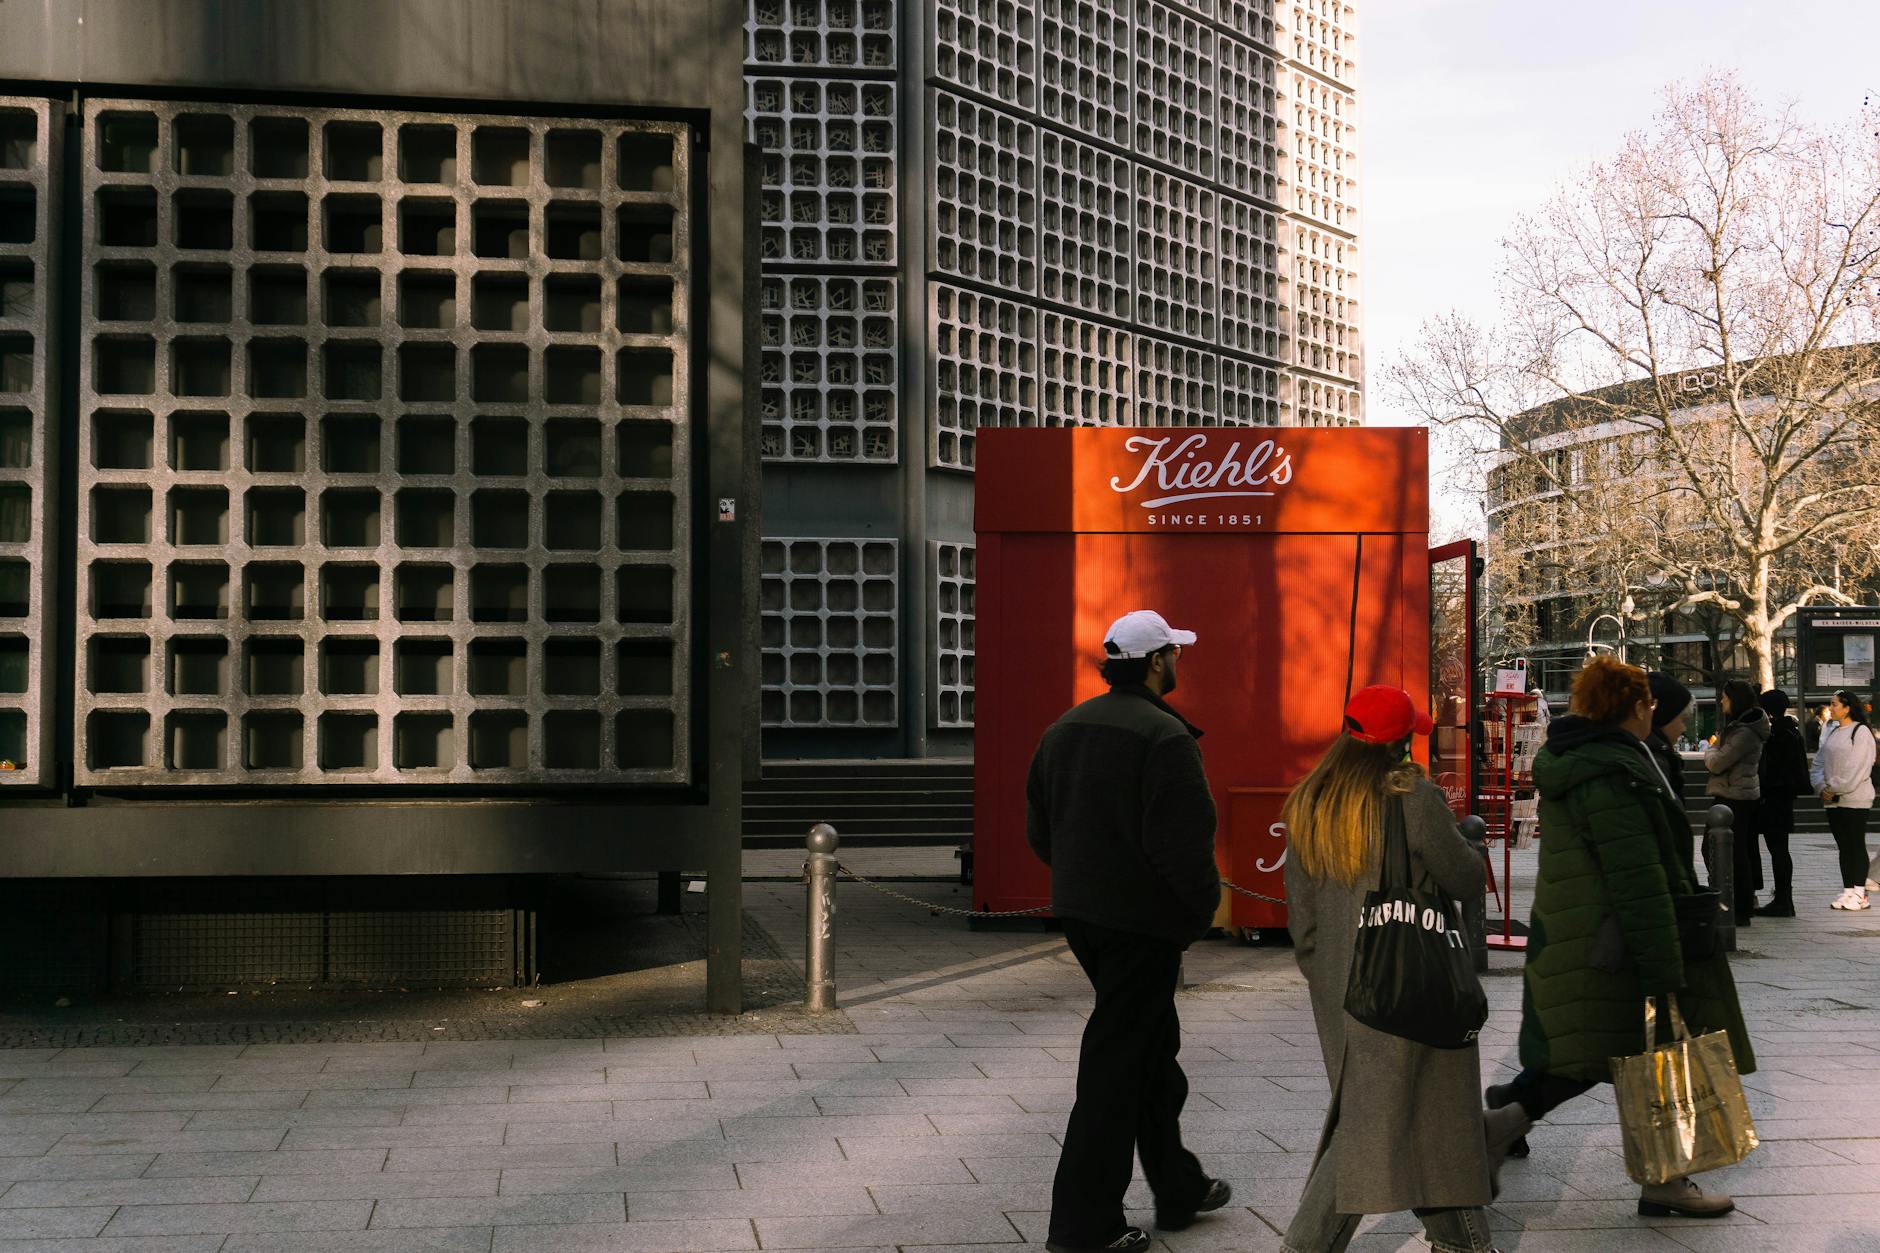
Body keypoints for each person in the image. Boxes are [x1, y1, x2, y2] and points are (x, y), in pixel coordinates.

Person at [1485, 656, 1754, 1219]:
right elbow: (1636, 877)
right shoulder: (1613, 771)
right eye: (1651, 704)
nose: (1656, 712)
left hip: (1591, 937)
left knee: (1606, 1054)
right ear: (1635, 707)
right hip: (1617, 944)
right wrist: (1664, 964)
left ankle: (1511, 1117)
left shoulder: (1596, 759)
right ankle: (1661, 1179)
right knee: (1647, 1055)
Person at [1026, 609, 1230, 1253]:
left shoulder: (1065, 727)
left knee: (1149, 1047)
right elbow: (1184, 845)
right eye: (1174, 652)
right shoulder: (1163, 737)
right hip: (1143, 923)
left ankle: (1177, 1185)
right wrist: (1197, 915)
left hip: (1086, 915)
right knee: (1118, 1062)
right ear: (1154, 663)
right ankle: (1084, 1226)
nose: (1179, 662)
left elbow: (1040, 828)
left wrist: (1084, 880)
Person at [1278, 685, 1501, 1253]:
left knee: (1416, 1114)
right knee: (1374, 1124)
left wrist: (1326, 973)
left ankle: (1464, 1243)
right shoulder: (1412, 796)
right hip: (1407, 977)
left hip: (1340, 986)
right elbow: (1466, 879)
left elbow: (1302, 922)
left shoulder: (1310, 799)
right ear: (1402, 742)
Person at [1704, 679, 1769, 925]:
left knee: (1734, 852)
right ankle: (1733, 901)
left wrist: (1711, 748)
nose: (1721, 702)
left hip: (1736, 797)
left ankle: (1740, 906)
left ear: (1736, 700)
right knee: (1724, 850)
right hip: (1731, 794)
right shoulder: (1739, 728)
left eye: (1725, 698)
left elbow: (1717, 762)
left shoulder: (1745, 733)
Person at [1811, 689, 1876, 911]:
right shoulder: (1832, 732)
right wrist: (1822, 787)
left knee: (1855, 844)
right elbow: (1818, 763)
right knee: (1844, 846)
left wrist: (1835, 787)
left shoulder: (1861, 732)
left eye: (1835, 704)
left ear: (1848, 707)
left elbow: (1858, 767)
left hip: (1854, 798)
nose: (1831, 708)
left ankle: (1860, 892)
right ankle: (1848, 890)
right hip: (1832, 799)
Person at [1753, 689, 1810, 917]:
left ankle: (1784, 899)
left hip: (1774, 799)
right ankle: (1784, 897)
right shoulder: (1791, 732)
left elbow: (1774, 770)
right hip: (1783, 799)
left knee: (1778, 849)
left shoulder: (1778, 735)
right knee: (1780, 850)